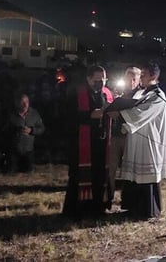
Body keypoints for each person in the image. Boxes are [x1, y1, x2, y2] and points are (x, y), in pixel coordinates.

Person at [110, 61, 166, 220]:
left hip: (149, 141)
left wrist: (120, 115)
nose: (140, 78)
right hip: (135, 138)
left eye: (143, 75)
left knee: (146, 175)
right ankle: (132, 207)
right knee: (134, 175)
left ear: (153, 76)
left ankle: (147, 210)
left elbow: (141, 114)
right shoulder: (142, 93)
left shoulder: (158, 96)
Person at [62, 65, 114, 220]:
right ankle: (78, 210)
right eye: (97, 80)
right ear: (88, 79)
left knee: (99, 174)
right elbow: (69, 117)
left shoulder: (107, 94)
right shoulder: (77, 94)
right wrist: (89, 116)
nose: (100, 83)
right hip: (81, 143)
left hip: (101, 142)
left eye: (103, 80)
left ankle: (98, 207)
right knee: (81, 176)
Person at [108, 66, 142, 209]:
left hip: (131, 137)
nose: (131, 82)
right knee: (111, 168)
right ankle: (108, 197)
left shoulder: (142, 95)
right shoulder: (120, 94)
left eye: (134, 79)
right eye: (129, 79)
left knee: (129, 170)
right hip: (116, 136)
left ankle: (127, 199)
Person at [3, 93, 45, 173]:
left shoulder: (34, 114)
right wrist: (15, 130)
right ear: (17, 103)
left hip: (28, 150)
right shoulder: (10, 114)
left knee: (29, 171)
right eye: (23, 102)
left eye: (27, 102)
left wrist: (31, 130)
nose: (25, 104)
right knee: (10, 171)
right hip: (14, 150)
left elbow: (42, 128)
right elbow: (3, 130)